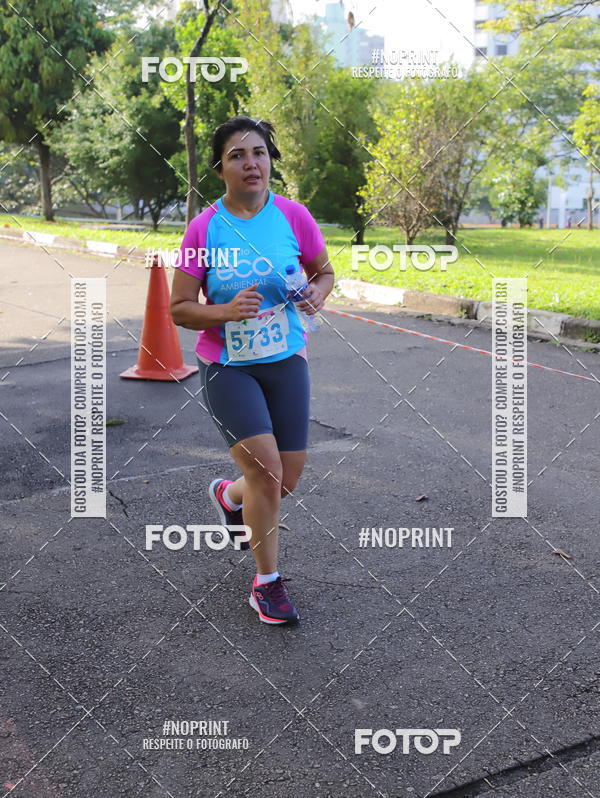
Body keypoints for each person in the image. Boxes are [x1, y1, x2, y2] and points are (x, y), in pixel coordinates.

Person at [170, 116, 334, 625]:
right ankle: (266, 584)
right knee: (266, 472)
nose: (251, 163)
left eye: (259, 153)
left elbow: (325, 272)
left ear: (269, 161)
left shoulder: (294, 216)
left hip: (286, 357)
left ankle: (228, 494)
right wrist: (222, 311)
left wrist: (316, 295)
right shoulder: (205, 227)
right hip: (227, 364)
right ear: (221, 168)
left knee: (286, 478)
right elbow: (178, 307)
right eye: (238, 155)